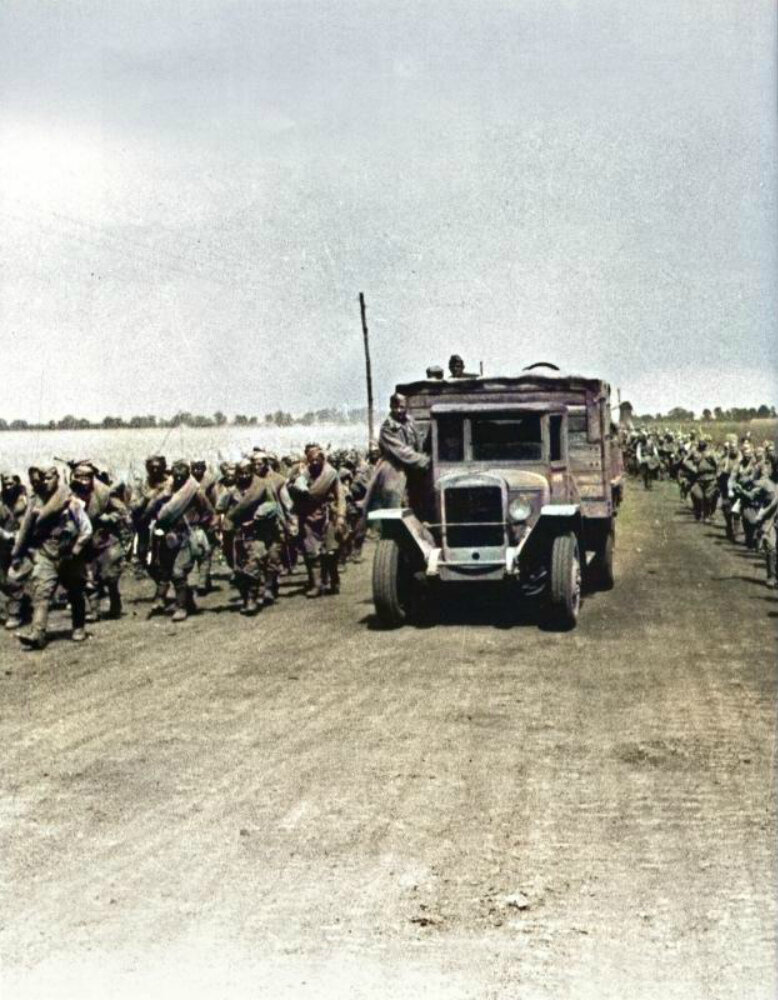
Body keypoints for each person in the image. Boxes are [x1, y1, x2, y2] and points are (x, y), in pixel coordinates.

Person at [13, 466, 93, 649]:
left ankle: (79, 627)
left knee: (75, 591)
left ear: (57, 477)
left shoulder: (70, 501)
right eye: (42, 479)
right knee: (41, 592)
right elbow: (26, 530)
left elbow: (86, 529)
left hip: (69, 553)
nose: (45, 482)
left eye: (49, 478)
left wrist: (76, 549)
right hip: (46, 553)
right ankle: (37, 634)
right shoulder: (37, 502)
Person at [147, 460, 215, 622]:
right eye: (175, 475)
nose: (178, 478)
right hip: (167, 536)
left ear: (187, 476)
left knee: (178, 572)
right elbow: (153, 510)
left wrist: (198, 527)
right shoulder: (166, 492)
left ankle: (181, 607)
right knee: (165, 571)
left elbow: (208, 512)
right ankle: (187, 601)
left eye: (181, 476)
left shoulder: (194, 492)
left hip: (187, 535)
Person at [219, 459, 283, 614]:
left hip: (257, 533)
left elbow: (273, 505)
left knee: (253, 565)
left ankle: (251, 599)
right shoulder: (230, 491)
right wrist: (222, 523)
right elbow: (220, 509)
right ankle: (246, 596)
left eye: (248, 472)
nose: (244, 475)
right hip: (236, 535)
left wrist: (259, 516)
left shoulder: (262, 486)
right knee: (238, 570)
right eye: (241, 472)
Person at [70, 462, 131, 621]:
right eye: (78, 477)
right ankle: (94, 610)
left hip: (105, 539)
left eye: (86, 478)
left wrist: (108, 518)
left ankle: (115, 605)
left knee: (109, 576)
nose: (82, 482)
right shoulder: (71, 493)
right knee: (89, 577)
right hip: (84, 541)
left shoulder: (104, 493)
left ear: (92, 478)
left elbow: (122, 512)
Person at [288, 444, 346, 597]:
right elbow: (292, 492)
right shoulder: (302, 475)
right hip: (307, 516)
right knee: (311, 553)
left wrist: (340, 517)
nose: (314, 463)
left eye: (317, 460)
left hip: (328, 516)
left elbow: (341, 497)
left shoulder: (331, 474)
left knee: (330, 552)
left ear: (322, 459)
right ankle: (317, 584)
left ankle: (334, 579)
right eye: (311, 461)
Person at [371, 392, 430, 511]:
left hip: (413, 470)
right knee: (396, 507)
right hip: (395, 472)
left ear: (406, 407)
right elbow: (402, 452)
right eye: (395, 407)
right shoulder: (387, 428)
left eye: (401, 407)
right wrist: (425, 460)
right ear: (390, 407)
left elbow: (419, 443)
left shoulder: (410, 422)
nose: (398, 410)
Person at [0, 473, 29, 629]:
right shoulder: (1, 500)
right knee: (2, 580)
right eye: (5, 483)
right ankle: (21, 604)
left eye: (11, 483)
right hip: (3, 545)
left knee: (14, 578)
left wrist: (19, 536)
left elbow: (27, 521)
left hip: (21, 545)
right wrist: (4, 535)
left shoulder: (25, 499)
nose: (8, 486)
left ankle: (15, 614)